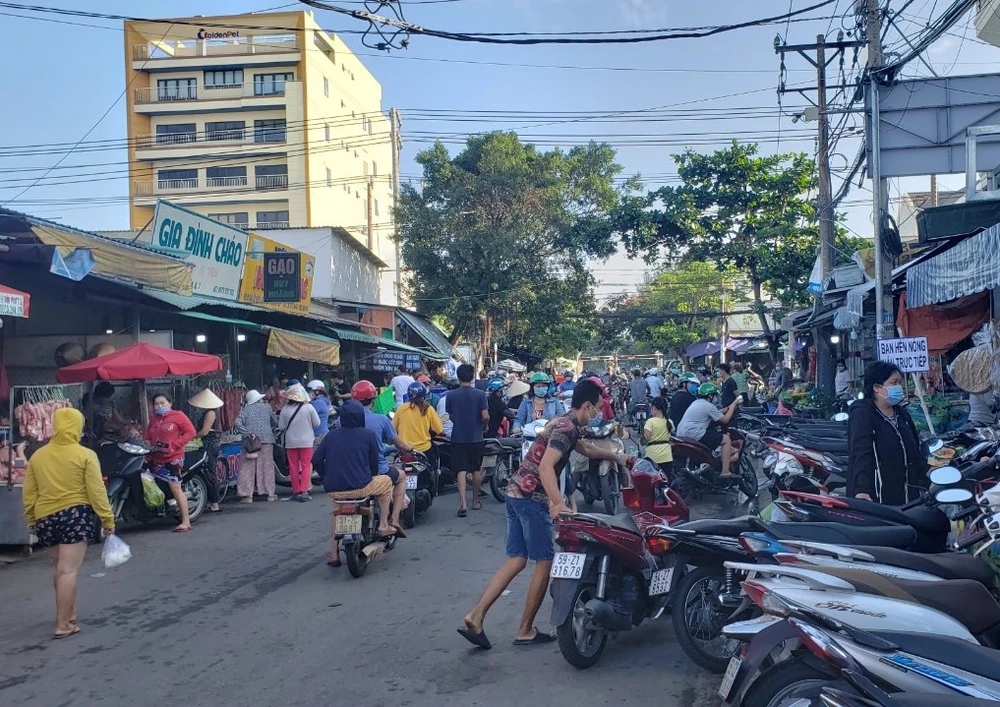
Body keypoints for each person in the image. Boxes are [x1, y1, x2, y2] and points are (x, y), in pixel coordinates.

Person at [458, 379, 633, 650]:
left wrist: (617, 458)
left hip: (515, 493)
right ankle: (525, 629)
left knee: (517, 559)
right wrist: (557, 503)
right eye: (597, 408)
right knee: (545, 561)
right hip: (531, 498)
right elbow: (546, 467)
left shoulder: (566, 423)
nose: (599, 413)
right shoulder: (565, 428)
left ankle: (476, 615)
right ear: (586, 406)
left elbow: (585, 449)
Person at [22, 408, 114, 639]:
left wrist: (31, 520)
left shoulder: (38, 456)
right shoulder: (84, 454)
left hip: (45, 517)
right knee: (68, 569)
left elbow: (29, 492)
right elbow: (96, 491)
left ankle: (68, 614)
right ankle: (63, 624)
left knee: (59, 568)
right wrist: (107, 518)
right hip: (75, 514)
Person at [316, 400, 403, 567]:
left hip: (335, 490)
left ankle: (334, 554)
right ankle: (384, 525)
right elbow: (374, 466)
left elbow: (317, 459)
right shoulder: (367, 435)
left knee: (337, 511)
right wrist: (368, 475)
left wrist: (326, 475)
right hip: (361, 487)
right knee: (385, 482)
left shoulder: (331, 435)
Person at [847, 361, 927, 505]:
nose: (899, 387)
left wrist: (928, 470)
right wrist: (862, 489)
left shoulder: (902, 414)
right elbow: (861, 453)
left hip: (908, 495)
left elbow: (915, 449)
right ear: (877, 387)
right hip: (876, 496)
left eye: (900, 383)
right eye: (894, 382)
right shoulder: (862, 413)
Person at [352, 381, 412, 530]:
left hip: (351, 470)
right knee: (401, 477)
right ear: (373, 400)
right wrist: (408, 449)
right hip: (379, 470)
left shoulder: (342, 421)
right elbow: (399, 444)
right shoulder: (381, 419)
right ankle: (394, 520)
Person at [144, 394, 196, 532]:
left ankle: (186, 521)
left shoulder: (178, 416)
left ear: (170, 403)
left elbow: (190, 432)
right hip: (155, 457)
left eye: (162, 403)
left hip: (173, 458)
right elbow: (148, 435)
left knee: (176, 488)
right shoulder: (154, 419)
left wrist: (174, 444)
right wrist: (146, 445)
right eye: (156, 404)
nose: (159, 406)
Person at [447, 364, 490, 517]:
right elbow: (485, 416)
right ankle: (475, 500)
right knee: (476, 468)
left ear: (458, 377)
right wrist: (484, 425)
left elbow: (451, 415)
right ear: (472, 377)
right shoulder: (480, 394)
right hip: (475, 437)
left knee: (461, 470)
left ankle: (462, 503)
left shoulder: (451, 395)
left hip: (458, 437)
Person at [676, 382, 743, 478]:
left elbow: (716, 412)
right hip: (694, 433)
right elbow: (725, 420)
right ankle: (725, 471)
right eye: (715, 396)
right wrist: (732, 406)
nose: (716, 398)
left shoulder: (697, 403)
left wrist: (728, 408)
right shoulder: (708, 406)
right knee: (726, 440)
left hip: (681, 433)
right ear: (710, 396)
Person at [234, 390, 278, 503]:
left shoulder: (246, 409)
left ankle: (247, 495)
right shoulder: (267, 407)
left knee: (247, 468)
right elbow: (275, 421)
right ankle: (270, 494)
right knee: (266, 468)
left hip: (251, 442)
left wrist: (248, 433)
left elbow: (237, 422)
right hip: (267, 441)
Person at [279, 384, 321, 502]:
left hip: (291, 442)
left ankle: (296, 490)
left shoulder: (285, 409)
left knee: (293, 467)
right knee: (306, 466)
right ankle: (304, 491)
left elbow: (281, 426)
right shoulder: (309, 408)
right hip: (306, 441)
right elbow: (317, 423)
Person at [393, 382, 444, 471]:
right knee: (434, 469)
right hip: (424, 450)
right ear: (424, 395)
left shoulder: (401, 409)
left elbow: (392, 429)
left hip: (404, 450)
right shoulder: (428, 409)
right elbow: (439, 429)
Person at [189, 388, 225, 514]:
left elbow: (204, 431)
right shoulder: (208, 412)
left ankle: (215, 503)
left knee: (210, 472)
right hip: (206, 443)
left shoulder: (211, 413)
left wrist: (191, 437)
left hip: (209, 443)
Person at [643, 396, 673, 474]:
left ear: (654, 408)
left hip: (653, 456)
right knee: (667, 478)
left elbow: (647, 437)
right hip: (667, 456)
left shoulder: (651, 421)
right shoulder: (669, 422)